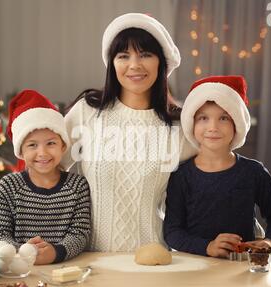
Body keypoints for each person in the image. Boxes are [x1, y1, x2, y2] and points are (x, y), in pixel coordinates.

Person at [61, 13, 198, 252]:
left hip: (153, 260)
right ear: (112, 63)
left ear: (161, 62)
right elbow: (48, 169)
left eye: (145, 54)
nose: (134, 65)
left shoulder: (179, 127)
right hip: (89, 260)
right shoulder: (87, 112)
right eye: (123, 56)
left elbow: (211, 183)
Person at [163, 75, 271, 258]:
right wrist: (207, 247)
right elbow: (172, 232)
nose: (213, 127)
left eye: (223, 118)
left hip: (240, 266)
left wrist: (270, 241)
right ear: (191, 123)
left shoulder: (253, 172)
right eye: (203, 118)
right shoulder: (181, 177)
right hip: (195, 267)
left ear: (236, 124)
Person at [0, 90, 91, 264]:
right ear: (21, 151)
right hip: (18, 270)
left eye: (51, 143)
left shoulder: (77, 185)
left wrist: (55, 252)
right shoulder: (9, 185)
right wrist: (22, 251)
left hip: (64, 269)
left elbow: (79, 234)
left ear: (63, 145)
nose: (42, 153)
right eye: (32, 145)